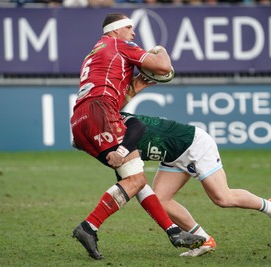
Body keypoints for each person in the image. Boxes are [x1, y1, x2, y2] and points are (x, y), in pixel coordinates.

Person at [70, 12, 205, 260]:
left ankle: (174, 232)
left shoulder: (95, 53)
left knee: (135, 178)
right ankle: (88, 227)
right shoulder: (119, 43)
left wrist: (137, 86)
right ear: (116, 30)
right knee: (137, 130)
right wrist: (159, 49)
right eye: (130, 28)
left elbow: (117, 97)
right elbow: (164, 66)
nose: (134, 34)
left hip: (81, 120)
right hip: (100, 110)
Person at [108, 112, 271, 257]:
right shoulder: (106, 132)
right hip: (172, 156)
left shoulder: (117, 123)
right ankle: (204, 240)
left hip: (194, 145)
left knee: (222, 198)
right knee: (160, 200)